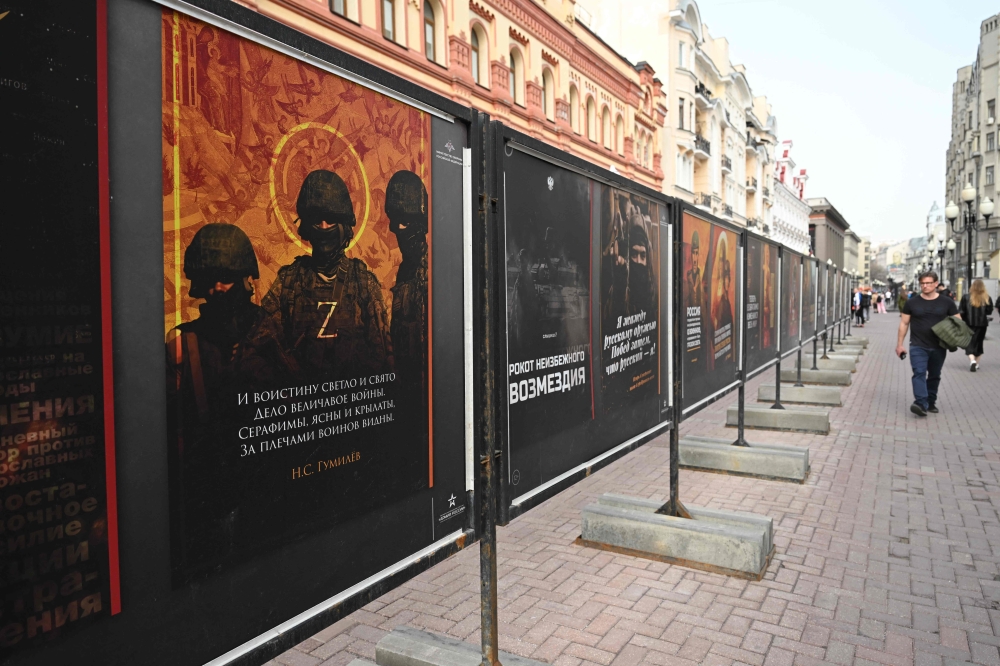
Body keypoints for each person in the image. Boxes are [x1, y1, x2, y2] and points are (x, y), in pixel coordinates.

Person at [261, 169, 392, 380]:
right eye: (316, 221)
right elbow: (263, 342)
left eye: (330, 221)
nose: (323, 228)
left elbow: (383, 355)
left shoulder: (363, 283)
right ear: (306, 227)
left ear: (343, 226)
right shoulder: (289, 282)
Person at [385, 170, 429, 417]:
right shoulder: (404, 271)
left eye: (406, 222)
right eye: (396, 222)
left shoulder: (432, 267)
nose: (399, 229)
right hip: (407, 390)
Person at [896, 270, 960, 416]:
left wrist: (954, 338)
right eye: (922, 283)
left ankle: (931, 402)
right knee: (918, 372)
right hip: (918, 345)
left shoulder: (947, 302)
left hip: (939, 346)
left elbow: (958, 321)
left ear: (936, 284)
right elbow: (904, 324)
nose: (925, 286)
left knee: (934, 375)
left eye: (928, 283)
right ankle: (920, 403)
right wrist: (900, 344)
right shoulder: (912, 302)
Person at [959, 278, 994, 371]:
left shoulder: (966, 297)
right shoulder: (987, 297)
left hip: (968, 323)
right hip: (982, 324)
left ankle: (972, 360)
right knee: (979, 342)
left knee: (969, 342)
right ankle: (976, 363)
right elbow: (989, 311)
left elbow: (961, 311)